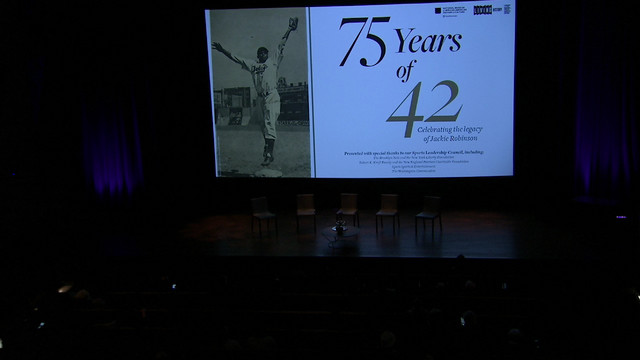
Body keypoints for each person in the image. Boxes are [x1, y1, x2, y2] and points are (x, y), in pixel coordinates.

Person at [212, 17, 298, 166]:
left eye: (263, 53)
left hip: (271, 96)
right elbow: (236, 58)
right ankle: (267, 148)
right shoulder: (252, 65)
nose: (261, 55)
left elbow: (281, 43)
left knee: (270, 124)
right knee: (263, 126)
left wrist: (289, 29)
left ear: (267, 54)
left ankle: (269, 154)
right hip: (260, 99)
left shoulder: (273, 61)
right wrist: (222, 50)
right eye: (259, 54)